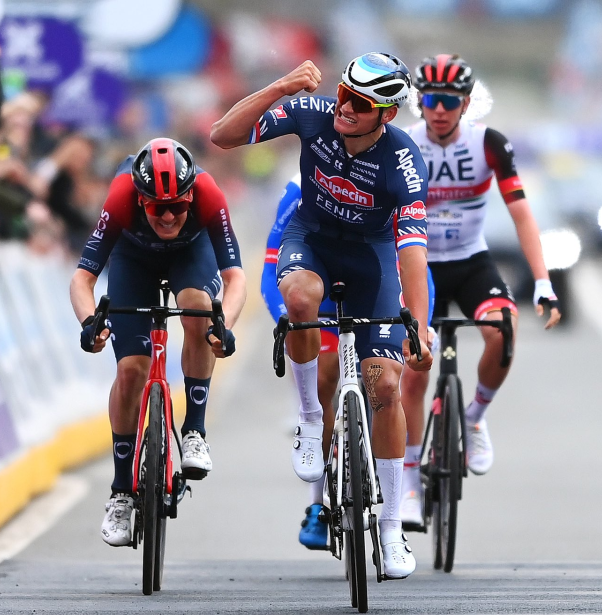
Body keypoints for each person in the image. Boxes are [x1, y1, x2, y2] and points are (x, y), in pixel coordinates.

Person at [212, 53, 433, 579]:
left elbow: (412, 256)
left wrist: (419, 327)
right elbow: (223, 135)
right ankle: (312, 420)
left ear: (387, 115)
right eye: (343, 93)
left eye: (360, 103)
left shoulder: (403, 162)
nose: (345, 107)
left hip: (370, 260)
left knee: (385, 388)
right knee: (302, 301)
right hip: (309, 240)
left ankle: (390, 529)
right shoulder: (314, 113)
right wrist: (280, 86)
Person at [397, 54, 561, 529]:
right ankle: (407, 480)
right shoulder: (401, 144)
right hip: (418, 264)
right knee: (414, 361)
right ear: (419, 102)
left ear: (466, 103)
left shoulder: (488, 143)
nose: (440, 110)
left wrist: (544, 282)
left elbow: (522, 213)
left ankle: (472, 417)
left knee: (504, 331)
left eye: (450, 101)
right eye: (431, 100)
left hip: (470, 260)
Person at [70, 137, 246, 547]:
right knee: (131, 370)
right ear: (140, 200)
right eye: (156, 208)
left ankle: (194, 431)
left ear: (190, 196)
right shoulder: (120, 197)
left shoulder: (207, 193)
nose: (168, 217)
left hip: (191, 256)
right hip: (135, 262)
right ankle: (120, 493)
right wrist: (87, 321)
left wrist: (226, 325)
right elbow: (83, 278)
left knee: (199, 308)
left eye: (178, 207)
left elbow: (235, 277)